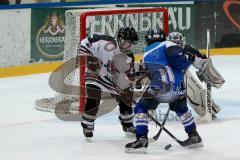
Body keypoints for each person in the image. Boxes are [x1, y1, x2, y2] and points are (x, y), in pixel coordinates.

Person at [125, 28, 205, 153]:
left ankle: (141, 139)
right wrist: (191, 59)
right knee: (182, 109)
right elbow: (180, 63)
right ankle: (194, 136)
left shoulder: (146, 54)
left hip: (159, 88)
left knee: (141, 108)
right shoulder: (168, 44)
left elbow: (143, 74)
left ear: (147, 39)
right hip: (178, 88)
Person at [79, 27, 139, 140]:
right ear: (120, 39)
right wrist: (91, 58)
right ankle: (87, 124)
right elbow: (85, 42)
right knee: (94, 96)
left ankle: (127, 125)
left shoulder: (129, 57)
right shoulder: (104, 42)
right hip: (96, 74)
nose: (129, 46)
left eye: (131, 44)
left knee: (126, 97)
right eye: (127, 42)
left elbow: (128, 77)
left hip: (112, 80)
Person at [166, 31, 223, 119]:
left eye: (178, 43)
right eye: (174, 43)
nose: (176, 46)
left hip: (177, 76)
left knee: (192, 89)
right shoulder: (162, 49)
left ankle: (206, 110)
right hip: (165, 78)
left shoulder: (187, 49)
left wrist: (206, 67)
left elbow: (201, 60)